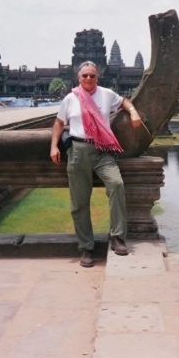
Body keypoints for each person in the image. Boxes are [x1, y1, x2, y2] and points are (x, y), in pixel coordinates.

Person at [50, 61, 143, 268]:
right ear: (79, 78)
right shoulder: (70, 98)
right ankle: (85, 247)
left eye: (92, 75)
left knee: (117, 185)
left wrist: (134, 112)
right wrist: (54, 146)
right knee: (79, 202)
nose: (89, 79)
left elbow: (124, 102)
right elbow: (58, 123)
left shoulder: (106, 94)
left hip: (103, 151)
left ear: (97, 77)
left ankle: (117, 237)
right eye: (85, 76)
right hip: (78, 152)